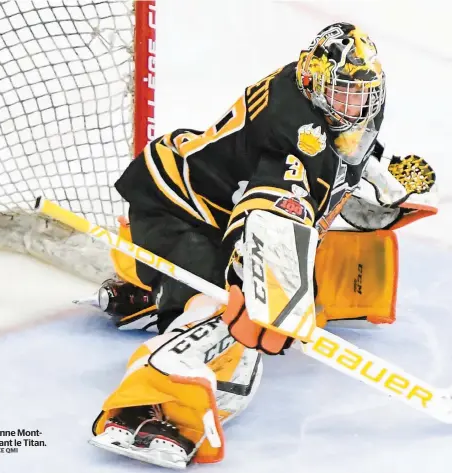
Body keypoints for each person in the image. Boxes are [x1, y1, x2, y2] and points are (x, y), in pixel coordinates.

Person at [89, 23, 438, 469]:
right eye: (344, 92)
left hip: (220, 204)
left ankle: (148, 289)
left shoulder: (333, 105)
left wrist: (383, 173)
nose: (356, 105)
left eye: (361, 93)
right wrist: (247, 280)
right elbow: (269, 205)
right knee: (220, 306)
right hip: (179, 206)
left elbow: (341, 158)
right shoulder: (291, 127)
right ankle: (149, 402)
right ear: (312, 81)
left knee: (289, 290)